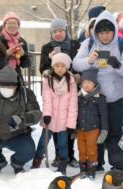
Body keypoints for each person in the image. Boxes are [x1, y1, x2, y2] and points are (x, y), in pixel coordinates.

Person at [74, 11, 123, 172]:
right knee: (96, 131)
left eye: (108, 32)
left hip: (116, 97)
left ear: (114, 30)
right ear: (96, 32)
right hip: (94, 97)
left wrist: (118, 65)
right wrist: (89, 60)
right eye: (101, 32)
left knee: (115, 132)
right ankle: (97, 163)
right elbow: (76, 64)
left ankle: (117, 165)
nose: (105, 36)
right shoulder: (88, 43)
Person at [0, 65, 41, 174]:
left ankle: (17, 163)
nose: (7, 88)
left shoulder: (26, 94)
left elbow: (36, 114)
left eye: (11, 86)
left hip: (18, 134)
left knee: (28, 151)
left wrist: (21, 120)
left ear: (17, 85)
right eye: (3, 85)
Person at [39, 17, 80, 167]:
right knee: (56, 125)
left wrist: (76, 75)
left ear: (65, 31)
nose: (58, 34)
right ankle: (58, 155)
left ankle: (70, 155)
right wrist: (48, 64)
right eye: (55, 31)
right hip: (53, 88)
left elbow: (78, 64)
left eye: (60, 30)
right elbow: (41, 68)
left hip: (71, 88)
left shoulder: (75, 45)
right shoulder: (46, 47)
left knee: (70, 122)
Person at [33, 52, 77, 174]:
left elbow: (73, 104)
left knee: (63, 144)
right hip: (49, 119)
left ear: (67, 67)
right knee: (43, 142)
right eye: (57, 65)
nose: (59, 68)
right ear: (53, 66)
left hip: (64, 121)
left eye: (62, 66)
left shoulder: (71, 81)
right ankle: (36, 161)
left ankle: (63, 165)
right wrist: (46, 114)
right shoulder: (48, 80)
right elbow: (47, 99)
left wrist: (71, 123)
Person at [75, 68, 108, 179]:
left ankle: (91, 171)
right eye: (84, 82)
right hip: (80, 129)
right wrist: (73, 128)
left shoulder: (100, 98)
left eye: (89, 82)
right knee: (81, 149)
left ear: (95, 83)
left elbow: (104, 115)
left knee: (91, 150)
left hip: (93, 129)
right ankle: (83, 170)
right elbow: (75, 113)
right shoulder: (78, 97)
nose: (86, 85)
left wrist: (104, 130)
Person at [0, 12, 31, 78]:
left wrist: (23, 55)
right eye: (9, 23)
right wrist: (6, 54)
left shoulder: (21, 41)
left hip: (16, 76)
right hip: (0, 75)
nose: (12, 26)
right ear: (4, 25)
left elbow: (26, 64)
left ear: (18, 26)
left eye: (14, 23)